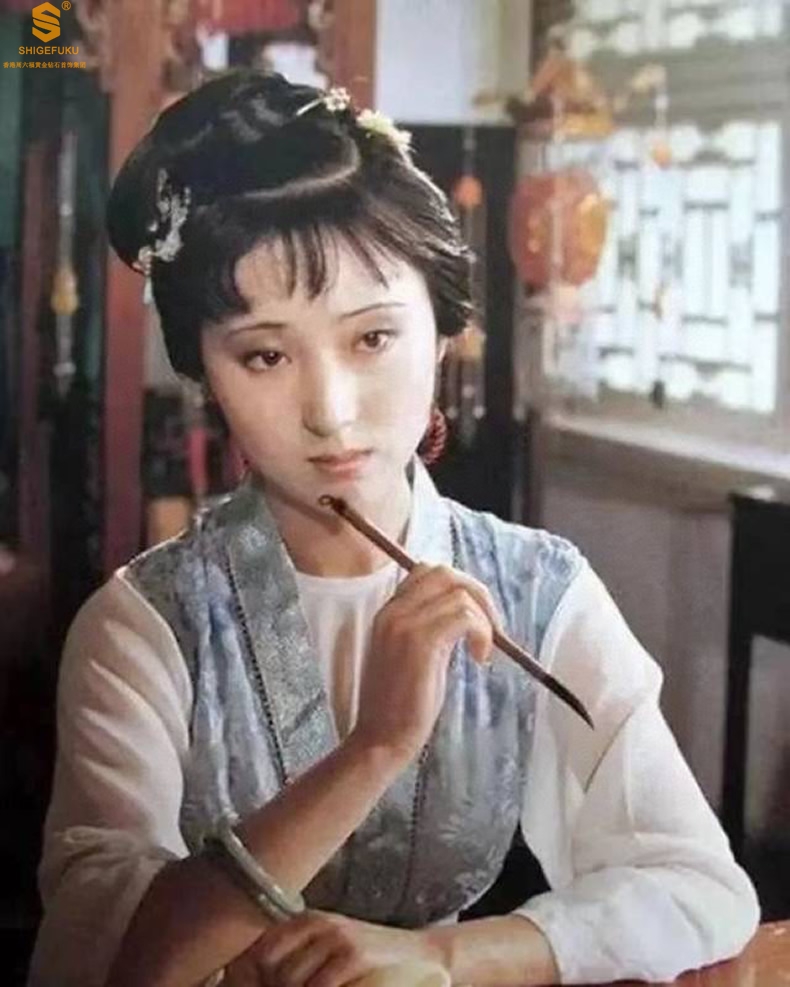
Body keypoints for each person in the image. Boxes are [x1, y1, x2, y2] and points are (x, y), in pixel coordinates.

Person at [28, 70, 759, 987]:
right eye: (264, 354)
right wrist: (375, 745)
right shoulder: (145, 626)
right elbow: (99, 964)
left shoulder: (537, 588)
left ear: (444, 332)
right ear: (205, 374)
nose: (330, 413)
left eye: (372, 338)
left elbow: (700, 885)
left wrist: (445, 955)